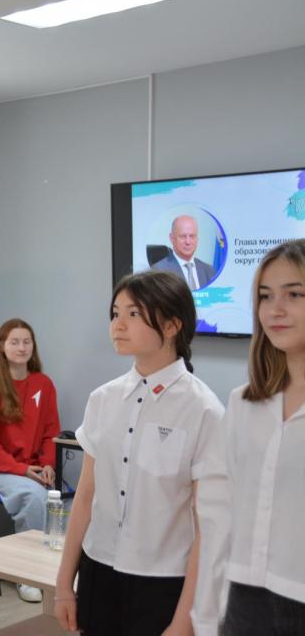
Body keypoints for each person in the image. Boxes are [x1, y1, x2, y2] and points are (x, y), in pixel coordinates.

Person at [54, 270, 224, 636]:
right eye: (115, 313)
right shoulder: (102, 399)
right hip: (98, 570)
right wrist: (64, 584)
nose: (118, 325)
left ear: (172, 325)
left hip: (163, 583)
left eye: (133, 314)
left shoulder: (204, 410)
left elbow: (207, 527)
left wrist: (184, 620)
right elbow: (85, 496)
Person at [198, 239, 305, 635]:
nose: (275, 309)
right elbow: (217, 515)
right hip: (245, 601)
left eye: (294, 294)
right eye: (265, 296)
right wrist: (205, 616)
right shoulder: (243, 403)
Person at [0, 318, 61, 603]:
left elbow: (51, 433)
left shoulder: (44, 384)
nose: (21, 347)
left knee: (66, 501)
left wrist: (48, 465)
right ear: (2, 346)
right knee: (35, 497)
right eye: (15, 342)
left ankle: (53, 572)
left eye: (27, 342)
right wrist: (22, 469)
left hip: (34, 469)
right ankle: (27, 575)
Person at [150, 215, 216, 290]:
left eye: (192, 236)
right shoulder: (159, 272)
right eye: (183, 236)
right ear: (172, 238)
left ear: (197, 238)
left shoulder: (209, 270)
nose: (188, 242)